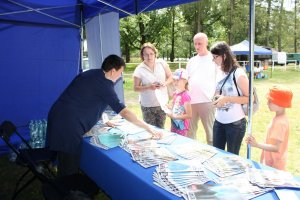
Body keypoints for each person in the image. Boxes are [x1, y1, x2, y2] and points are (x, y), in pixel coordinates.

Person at [46, 54, 161, 177]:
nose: (120, 76)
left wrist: (104, 119)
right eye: (120, 72)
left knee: (62, 156)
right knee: (69, 167)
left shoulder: (92, 74)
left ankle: (54, 170)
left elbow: (90, 100)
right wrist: (148, 128)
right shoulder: (105, 86)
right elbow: (125, 112)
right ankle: (67, 190)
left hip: (58, 115)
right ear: (112, 71)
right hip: (68, 124)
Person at [210, 41, 249, 155]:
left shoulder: (239, 74)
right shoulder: (219, 71)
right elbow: (218, 91)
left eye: (215, 57)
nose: (213, 60)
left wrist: (227, 99)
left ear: (224, 56)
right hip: (218, 121)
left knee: (232, 158)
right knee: (217, 155)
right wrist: (216, 99)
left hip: (235, 123)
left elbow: (249, 98)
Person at [246, 85, 293, 170]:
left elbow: (276, 148)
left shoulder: (280, 123)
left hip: (275, 167)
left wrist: (257, 144)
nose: (267, 103)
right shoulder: (278, 118)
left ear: (280, 103)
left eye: (270, 101)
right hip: (269, 163)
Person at [186, 32, 220, 144]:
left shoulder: (214, 59)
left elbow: (219, 79)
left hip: (207, 101)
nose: (197, 46)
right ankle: (191, 154)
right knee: (190, 132)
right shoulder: (191, 61)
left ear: (206, 43)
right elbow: (187, 80)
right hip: (191, 102)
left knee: (211, 134)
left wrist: (215, 97)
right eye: (195, 43)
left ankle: (213, 157)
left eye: (200, 43)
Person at [133, 42, 173, 128]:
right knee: (151, 130)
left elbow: (171, 77)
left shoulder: (162, 63)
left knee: (161, 128)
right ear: (142, 55)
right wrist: (149, 87)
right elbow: (135, 88)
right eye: (146, 54)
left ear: (155, 53)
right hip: (148, 105)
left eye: (151, 54)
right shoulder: (139, 69)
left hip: (162, 103)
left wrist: (165, 83)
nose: (149, 56)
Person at [166, 68, 192, 137]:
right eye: (174, 80)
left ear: (185, 81)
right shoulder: (175, 93)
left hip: (181, 128)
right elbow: (174, 107)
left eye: (178, 80)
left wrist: (174, 116)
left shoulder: (185, 96)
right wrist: (168, 107)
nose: (175, 82)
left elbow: (189, 115)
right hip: (174, 125)